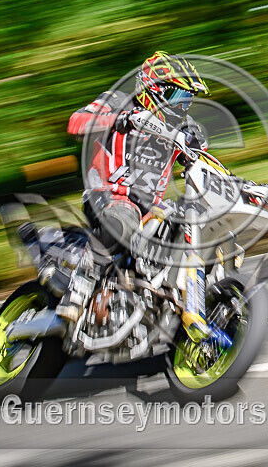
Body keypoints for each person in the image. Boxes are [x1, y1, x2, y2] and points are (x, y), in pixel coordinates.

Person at [56, 51, 211, 321]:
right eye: (178, 98)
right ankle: (78, 287)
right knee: (125, 218)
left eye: (188, 101)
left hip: (150, 208)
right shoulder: (116, 102)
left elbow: (203, 167)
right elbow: (75, 122)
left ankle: (218, 303)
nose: (183, 107)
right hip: (107, 196)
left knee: (201, 226)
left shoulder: (183, 128)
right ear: (154, 89)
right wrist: (120, 119)